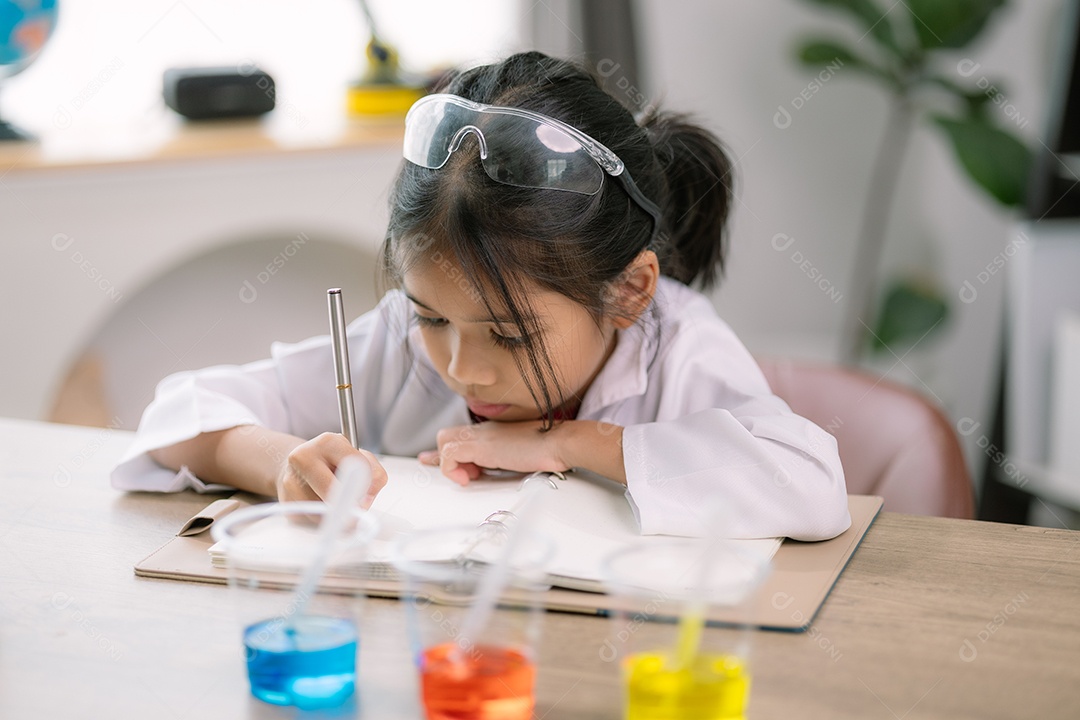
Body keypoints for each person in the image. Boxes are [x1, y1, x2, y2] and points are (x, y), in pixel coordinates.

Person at [111, 51, 850, 541]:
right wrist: (278, 462)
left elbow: (812, 484)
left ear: (629, 290)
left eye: (512, 335)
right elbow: (180, 413)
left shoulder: (677, 349)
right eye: (433, 315)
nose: (463, 367)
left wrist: (572, 443)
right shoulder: (403, 344)